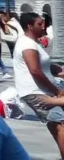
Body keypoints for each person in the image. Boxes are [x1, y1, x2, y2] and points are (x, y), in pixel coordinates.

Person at [13, 11, 64, 158]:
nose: (44, 26)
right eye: (39, 24)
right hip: (36, 92)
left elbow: (49, 68)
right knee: (59, 123)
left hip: (47, 90)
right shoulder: (27, 45)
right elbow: (35, 71)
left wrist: (60, 73)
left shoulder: (33, 44)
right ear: (30, 26)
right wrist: (56, 91)